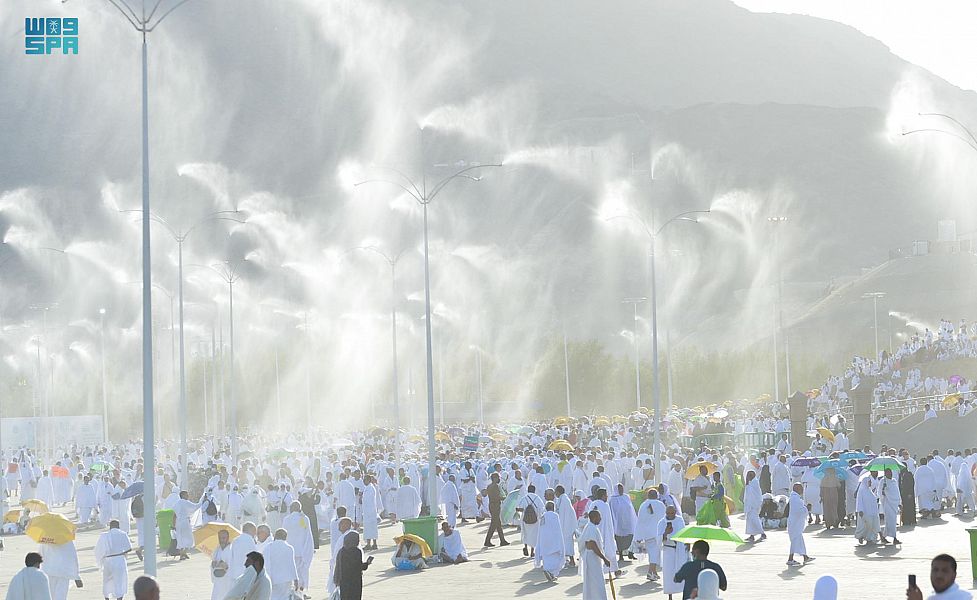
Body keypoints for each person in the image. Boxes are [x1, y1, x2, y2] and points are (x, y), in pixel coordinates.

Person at [907, 554, 972, 600]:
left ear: (954, 575)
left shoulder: (962, 597)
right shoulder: (932, 598)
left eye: (945, 571)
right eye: (935, 570)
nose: (939, 575)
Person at [282, 502, 313, 596]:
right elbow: (308, 534)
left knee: (291, 571)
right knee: (302, 571)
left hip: (289, 550)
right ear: (299, 508)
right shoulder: (304, 518)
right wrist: (308, 549)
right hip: (301, 550)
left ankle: (292, 592)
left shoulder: (286, 519)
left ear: (291, 508)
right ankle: (300, 592)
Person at [94, 520, 131, 600]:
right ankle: (119, 598)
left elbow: (98, 550)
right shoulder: (123, 534)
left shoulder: (104, 536)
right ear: (118, 526)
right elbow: (129, 548)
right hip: (119, 558)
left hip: (107, 560)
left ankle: (107, 597)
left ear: (110, 527)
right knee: (120, 580)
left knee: (107, 580)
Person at [578, 510, 611, 600]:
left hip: (592, 558)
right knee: (597, 582)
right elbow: (592, 544)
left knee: (593, 582)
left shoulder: (590, 527)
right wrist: (604, 558)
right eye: (599, 517)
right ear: (594, 517)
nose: (600, 519)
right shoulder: (591, 528)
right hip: (592, 559)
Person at [635, 488, 666, 581]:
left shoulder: (643, 505)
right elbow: (664, 518)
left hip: (647, 533)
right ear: (657, 496)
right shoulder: (661, 505)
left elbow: (640, 520)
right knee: (654, 553)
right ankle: (650, 572)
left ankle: (654, 572)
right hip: (657, 533)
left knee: (653, 553)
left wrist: (639, 535)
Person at [658, 505, 688, 600]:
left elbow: (684, 533)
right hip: (668, 550)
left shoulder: (679, 520)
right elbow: (657, 539)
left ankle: (684, 594)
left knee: (682, 571)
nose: (670, 515)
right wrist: (665, 533)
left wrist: (687, 543)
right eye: (668, 513)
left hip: (680, 549)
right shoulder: (661, 522)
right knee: (669, 574)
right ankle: (670, 596)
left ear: (675, 512)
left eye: (672, 513)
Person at [333, 531, 373, 600]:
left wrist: (336, 579)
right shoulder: (357, 552)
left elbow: (338, 566)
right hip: (355, 581)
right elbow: (359, 566)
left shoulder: (341, 551)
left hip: (344, 581)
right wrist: (367, 563)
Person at [262, 529, 298, 600]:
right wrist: (296, 579)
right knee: (285, 597)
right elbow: (292, 565)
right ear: (285, 537)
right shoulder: (289, 548)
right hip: (286, 580)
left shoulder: (268, 547)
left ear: (275, 536)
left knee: (272, 597)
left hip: (273, 579)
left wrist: (267, 578)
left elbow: (266, 564)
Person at [786, 483, 814, 566]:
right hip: (794, 523)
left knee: (799, 541)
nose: (802, 490)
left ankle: (805, 557)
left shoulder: (796, 498)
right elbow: (798, 511)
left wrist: (805, 508)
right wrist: (807, 508)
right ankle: (790, 559)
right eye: (801, 488)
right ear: (796, 489)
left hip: (795, 523)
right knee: (795, 541)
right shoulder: (795, 498)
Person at [609, 483, 637, 562]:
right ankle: (620, 555)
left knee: (630, 537)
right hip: (618, 522)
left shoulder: (626, 497)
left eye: (622, 488)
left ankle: (631, 552)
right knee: (619, 539)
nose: (621, 490)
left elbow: (631, 508)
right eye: (620, 489)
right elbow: (612, 512)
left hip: (628, 521)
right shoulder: (612, 500)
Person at [536, 501, 563, 581]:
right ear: (553, 508)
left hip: (544, 540)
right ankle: (551, 572)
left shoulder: (543, 516)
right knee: (555, 558)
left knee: (546, 557)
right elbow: (558, 528)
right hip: (554, 540)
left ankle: (548, 571)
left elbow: (541, 529)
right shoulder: (555, 515)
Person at [328, 514, 352, 597]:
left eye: (341, 524)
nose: (339, 526)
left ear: (346, 525)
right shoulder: (343, 536)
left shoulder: (347, 537)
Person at [483, 473, 509, 547]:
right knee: (494, 524)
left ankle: (502, 540)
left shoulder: (489, 486)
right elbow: (496, 497)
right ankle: (487, 541)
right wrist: (505, 498)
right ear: (494, 478)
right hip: (495, 506)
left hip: (492, 505)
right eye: (497, 478)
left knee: (498, 524)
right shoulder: (495, 486)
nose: (499, 479)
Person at [174, 490, 201, 560]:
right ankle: (183, 553)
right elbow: (195, 506)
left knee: (180, 539)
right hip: (185, 522)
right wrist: (202, 501)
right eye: (186, 495)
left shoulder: (177, 503)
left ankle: (183, 554)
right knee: (189, 538)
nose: (188, 496)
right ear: (183, 495)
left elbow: (174, 515)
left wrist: (174, 525)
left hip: (178, 523)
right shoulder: (185, 502)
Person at [855, 474, 881, 545]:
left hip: (871, 512)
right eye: (869, 482)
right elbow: (859, 501)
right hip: (864, 512)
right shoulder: (861, 490)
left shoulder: (869, 490)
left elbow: (873, 499)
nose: (870, 483)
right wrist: (860, 510)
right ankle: (860, 537)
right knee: (864, 526)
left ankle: (869, 538)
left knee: (871, 525)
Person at [879, 468, 902, 544]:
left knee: (892, 521)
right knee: (889, 521)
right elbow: (880, 493)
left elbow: (897, 492)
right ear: (885, 474)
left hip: (894, 504)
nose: (890, 474)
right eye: (888, 473)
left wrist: (899, 503)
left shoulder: (894, 481)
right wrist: (883, 489)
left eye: (891, 472)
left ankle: (884, 536)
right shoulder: (883, 481)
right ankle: (894, 538)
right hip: (887, 504)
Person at [210, 529, 234, 600]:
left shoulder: (232, 549)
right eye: (220, 538)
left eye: (223, 538)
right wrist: (213, 564)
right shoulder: (217, 549)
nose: (221, 540)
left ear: (228, 538)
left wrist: (226, 566)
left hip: (227, 581)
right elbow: (213, 561)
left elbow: (235, 564)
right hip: (218, 580)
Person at [743, 471, 765, 542]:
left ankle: (762, 533)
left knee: (755, 520)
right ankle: (752, 535)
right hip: (750, 505)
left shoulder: (755, 482)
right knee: (750, 521)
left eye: (750, 475)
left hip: (754, 505)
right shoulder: (751, 482)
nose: (748, 477)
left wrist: (747, 484)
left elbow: (752, 493)